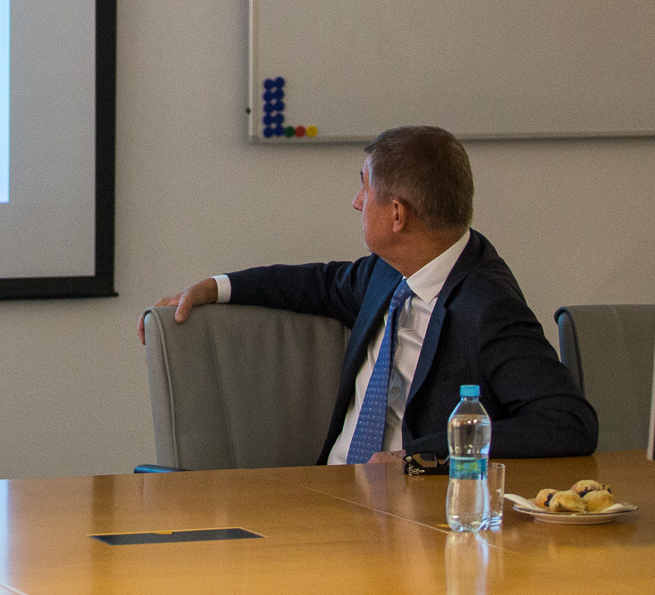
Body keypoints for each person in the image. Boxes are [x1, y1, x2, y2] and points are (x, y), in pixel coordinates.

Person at [143, 125, 596, 462]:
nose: (357, 202)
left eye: (364, 186)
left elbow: (568, 422)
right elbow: (316, 283)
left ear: (397, 214)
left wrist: (422, 455)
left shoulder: (487, 306)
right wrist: (215, 287)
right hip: (331, 490)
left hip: (414, 518)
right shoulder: (388, 271)